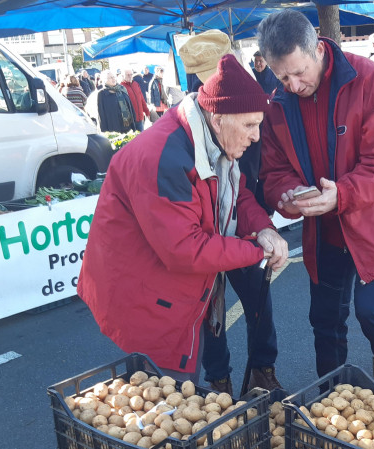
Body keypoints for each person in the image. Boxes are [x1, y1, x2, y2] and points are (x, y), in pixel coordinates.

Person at [76, 55, 289, 379]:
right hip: (144, 292)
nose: (256, 136)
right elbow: (186, 249)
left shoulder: (210, 138)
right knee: (168, 400)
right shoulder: (163, 156)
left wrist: (263, 228)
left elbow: (238, 191)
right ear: (218, 120)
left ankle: (220, 391)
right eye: (249, 125)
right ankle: (213, 392)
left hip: (174, 283)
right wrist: (257, 249)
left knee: (189, 389)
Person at [257, 9, 374, 396]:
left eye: (299, 72)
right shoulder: (277, 102)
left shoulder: (370, 81)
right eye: (282, 77)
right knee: (325, 318)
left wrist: (342, 194)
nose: (293, 85)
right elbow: (274, 169)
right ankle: (332, 399)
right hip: (324, 228)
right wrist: (286, 196)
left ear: (317, 47)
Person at [180, 31, 284, 394]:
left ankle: (262, 372)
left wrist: (265, 225)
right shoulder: (189, 128)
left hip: (244, 224)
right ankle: (219, 381)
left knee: (259, 300)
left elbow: (247, 184)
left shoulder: (249, 107)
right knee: (210, 310)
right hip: (206, 237)